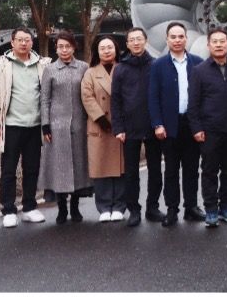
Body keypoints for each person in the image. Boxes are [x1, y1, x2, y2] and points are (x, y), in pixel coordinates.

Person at [0, 27, 51, 228]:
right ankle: (8, 210)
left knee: (32, 169)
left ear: (32, 42)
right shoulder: (1, 66)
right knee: (8, 170)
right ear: (12, 42)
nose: (24, 43)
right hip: (11, 126)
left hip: (35, 126)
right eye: (20, 40)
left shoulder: (42, 64)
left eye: (27, 40)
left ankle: (29, 207)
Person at [148, 22, 204, 227]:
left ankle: (191, 207)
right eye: (173, 37)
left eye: (181, 37)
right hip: (169, 126)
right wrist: (157, 124)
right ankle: (172, 209)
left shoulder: (198, 63)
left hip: (192, 124)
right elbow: (153, 97)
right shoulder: (158, 65)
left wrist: (201, 125)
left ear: (186, 39)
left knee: (191, 169)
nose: (177, 40)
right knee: (171, 170)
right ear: (167, 39)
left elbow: (203, 96)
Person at [188, 29, 227, 228]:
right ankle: (211, 209)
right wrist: (196, 128)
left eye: (222, 41)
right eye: (215, 42)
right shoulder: (199, 71)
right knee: (209, 171)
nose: (219, 45)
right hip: (209, 131)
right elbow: (193, 103)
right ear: (208, 45)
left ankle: (226, 208)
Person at [112, 27, 164, 227]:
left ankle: (153, 207)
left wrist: (161, 123)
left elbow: (162, 95)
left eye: (139, 39)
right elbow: (116, 100)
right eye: (132, 40)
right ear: (127, 44)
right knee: (131, 172)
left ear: (146, 41)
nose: (136, 43)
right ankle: (134, 209)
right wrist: (118, 128)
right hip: (129, 127)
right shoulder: (121, 68)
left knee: (155, 170)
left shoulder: (156, 65)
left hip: (153, 125)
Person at [38, 31, 91, 224]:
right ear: (56, 48)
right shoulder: (50, 70)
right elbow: (45, 99)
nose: (64, 50)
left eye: (67, 46)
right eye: (60, 46)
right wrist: (45, 125)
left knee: (78, 166)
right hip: (56, 126)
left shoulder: (84, 67)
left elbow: (88, 94)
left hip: (79, 124)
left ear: (74, 47)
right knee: (59, 168)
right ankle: (61, 207)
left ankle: (75, 207)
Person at [81, 35, 126, 222]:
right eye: (102, 48)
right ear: (97, 52)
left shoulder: (123, 69)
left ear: (116, 49)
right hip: (99, 127)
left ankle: (119, 206)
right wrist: (101, 119)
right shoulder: (90, 73)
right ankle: (104, 207)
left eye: (110, 47)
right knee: (100, 168)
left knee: (121, 168)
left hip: (121, 126)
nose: (107, 51)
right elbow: (87, 97)